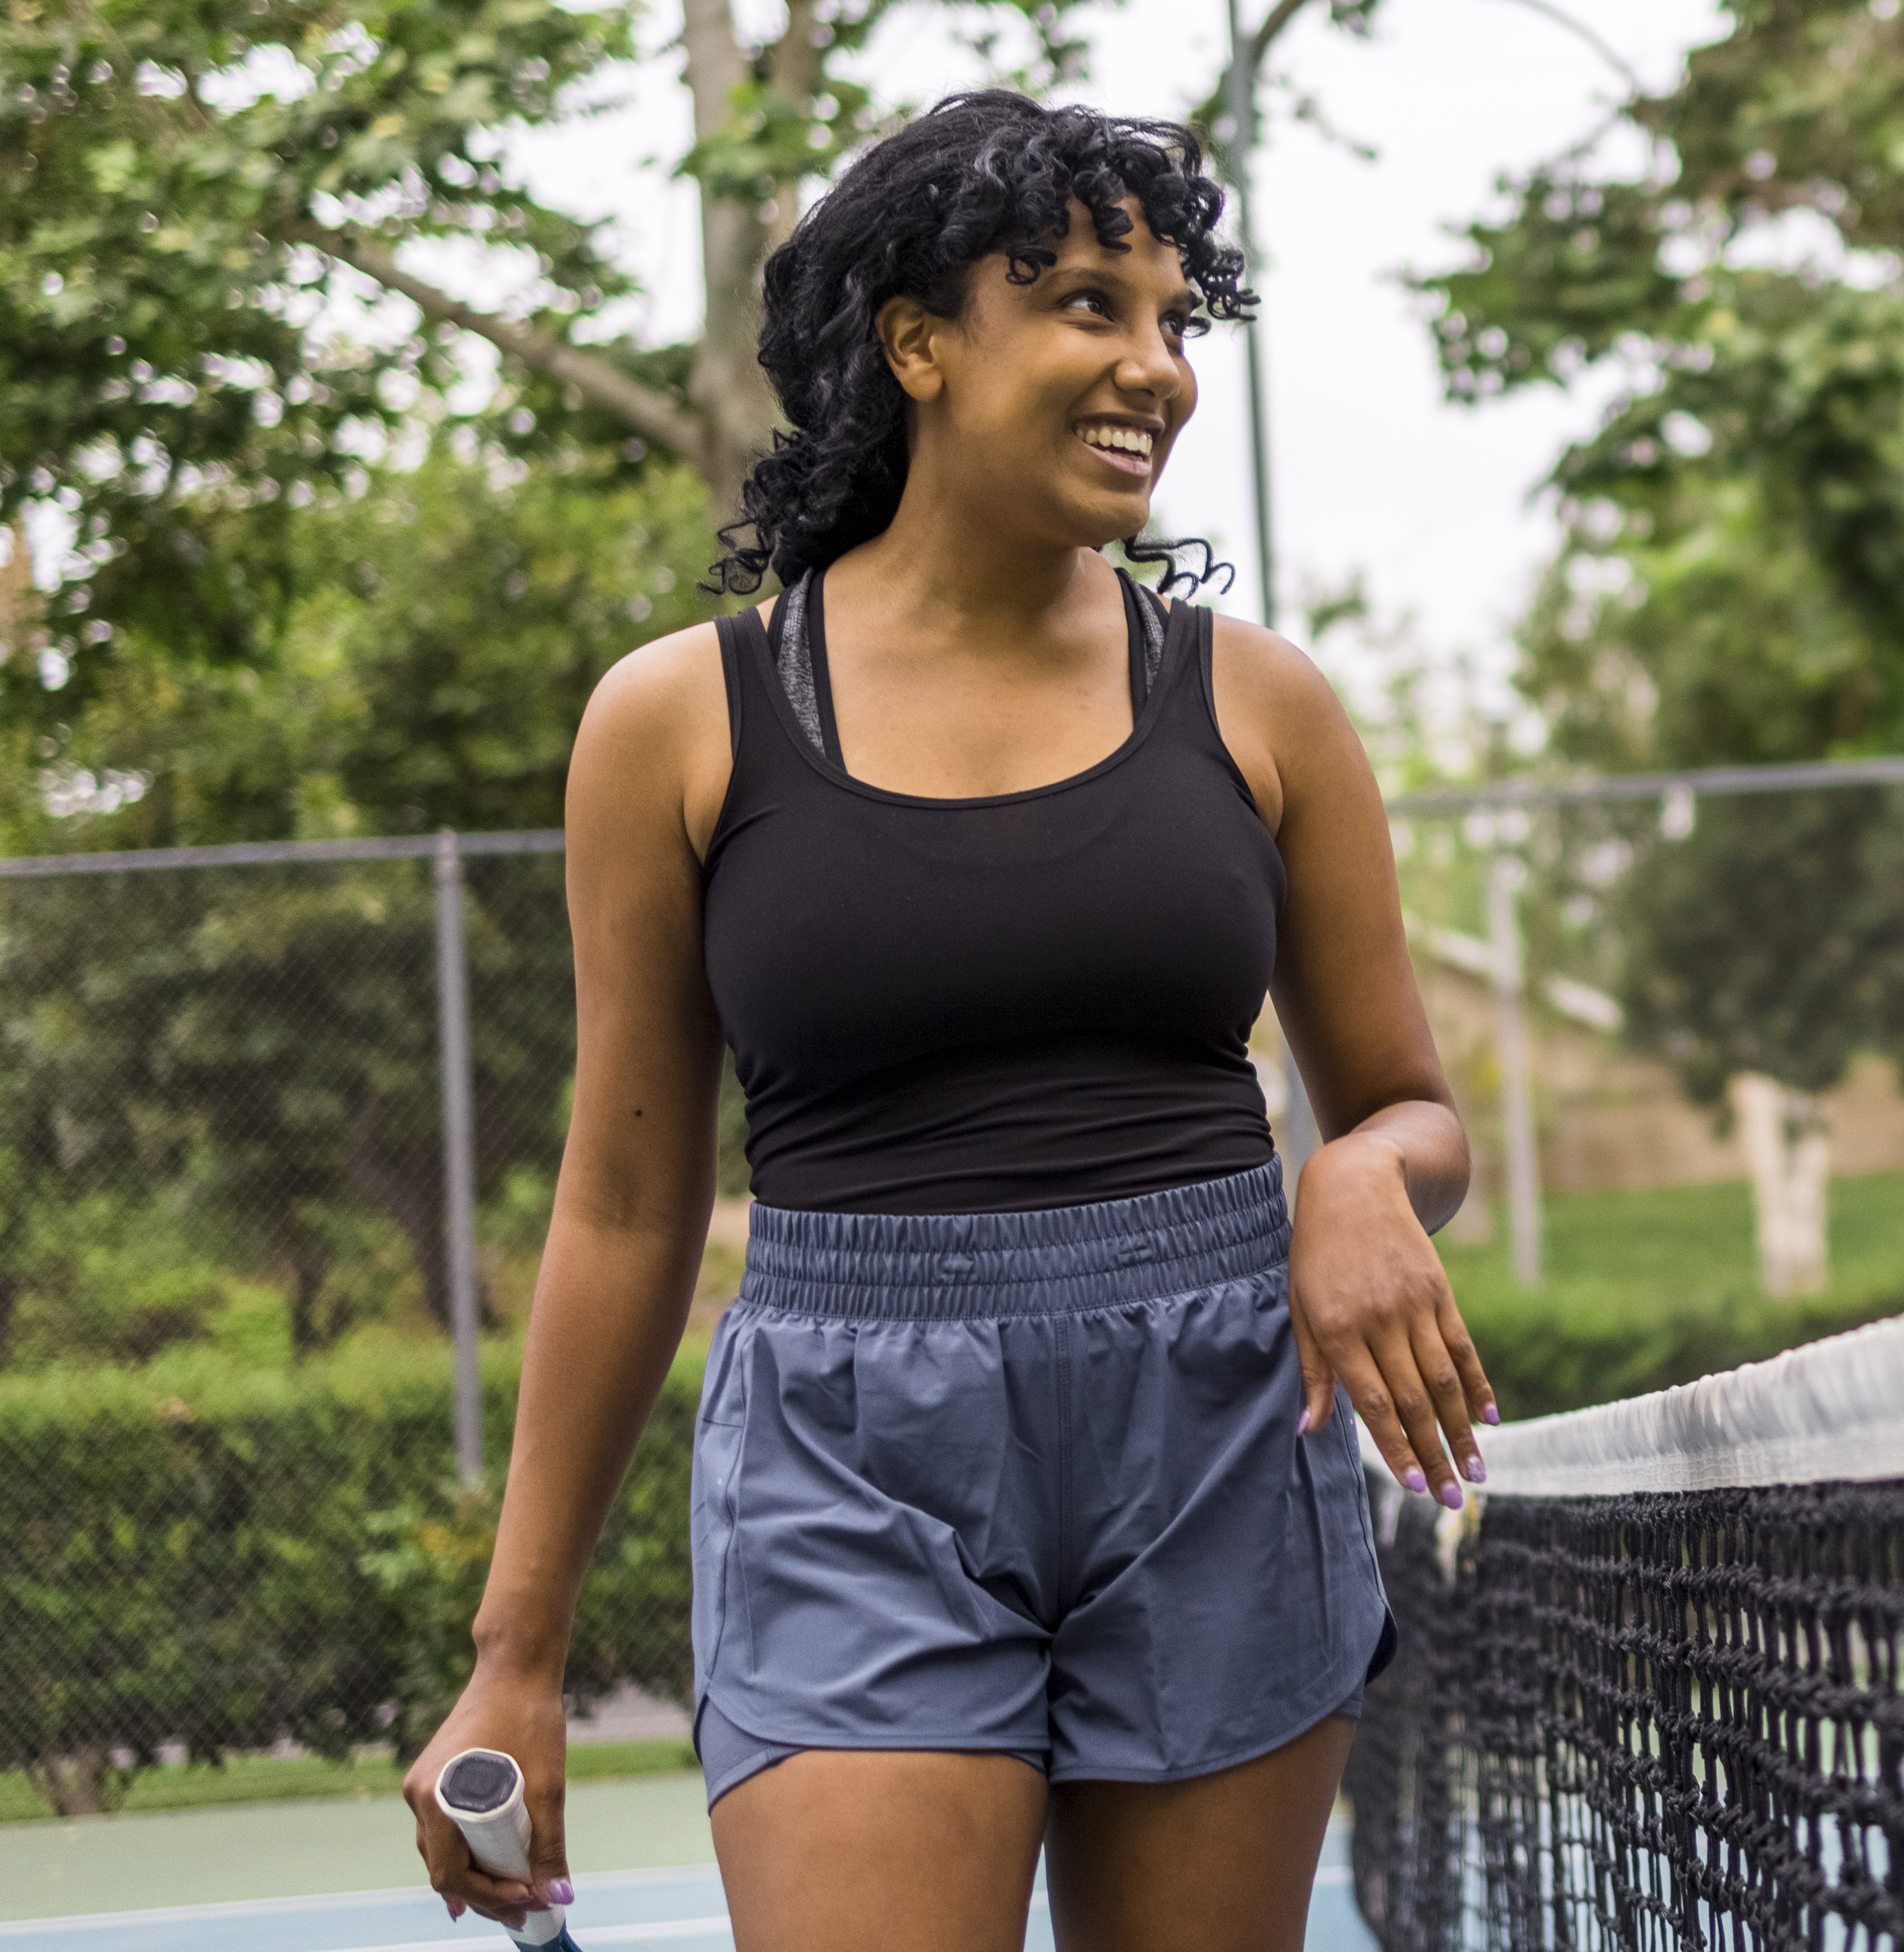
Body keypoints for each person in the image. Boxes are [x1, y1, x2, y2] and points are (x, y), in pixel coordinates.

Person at [398, 93, 1494, 1952]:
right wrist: (517, 1657)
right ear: (915, 343)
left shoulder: (1264, 707)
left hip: (1226, 1429)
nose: (1153, 366)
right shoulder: (677, 720)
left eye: (1172, 321)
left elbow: (1408, 1109)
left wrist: (1360, 1179)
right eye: (1085, 304)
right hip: (845, 1454)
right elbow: (621, 1208)